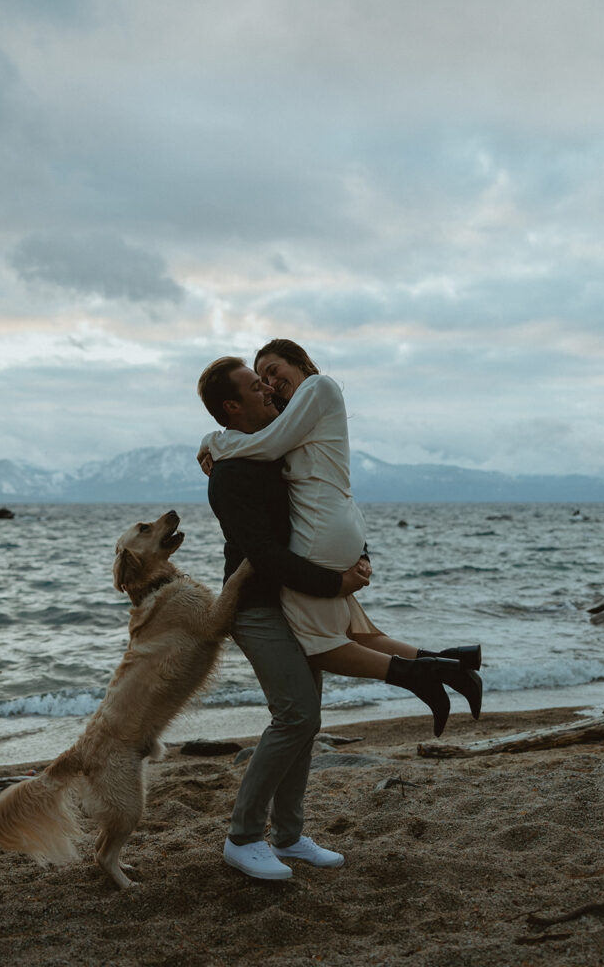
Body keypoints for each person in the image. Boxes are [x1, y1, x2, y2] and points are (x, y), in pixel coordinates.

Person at [199, 340, 482, 740]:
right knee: (359, 632)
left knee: (321, 644)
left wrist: (213, 441)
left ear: (300, 362)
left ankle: (425, 676)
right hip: (339, 525)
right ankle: (454, 664)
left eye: (275, 371)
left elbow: (269, 446)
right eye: (261, 379)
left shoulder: (318, 388)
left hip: (325, 532)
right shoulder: (295, 415)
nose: (270, 384)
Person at [196, 356, 372, 881]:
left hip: (296, 603)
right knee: (295, 714)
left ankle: (290, 836)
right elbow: (266, 555)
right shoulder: (229, 474)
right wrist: (334, 584)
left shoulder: (276, 448)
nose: (269, 389)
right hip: (256, 608)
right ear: (232, 405)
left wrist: (357, 554)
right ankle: (243, 837)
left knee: (307, 717)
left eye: (270, 379)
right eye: (256, 385)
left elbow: (320, 507)